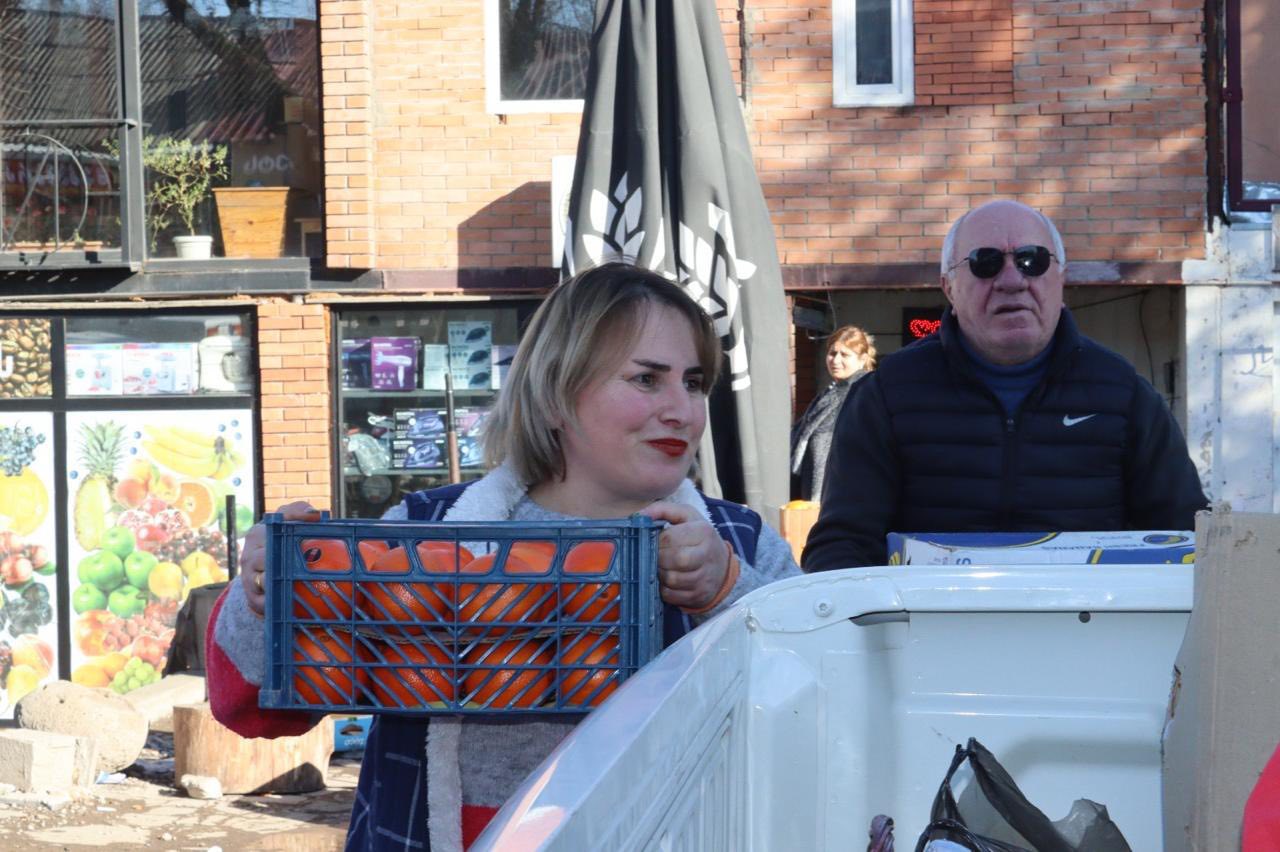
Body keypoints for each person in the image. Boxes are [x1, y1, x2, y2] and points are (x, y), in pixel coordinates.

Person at [206, 262, 801, 851]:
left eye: (693, 382)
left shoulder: (740, 541)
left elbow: (817, 706)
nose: (682, 410)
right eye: (646, 379)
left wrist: (729, 590)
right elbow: (253, 710)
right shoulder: (421, 533)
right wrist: (265, 595)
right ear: (556, 394)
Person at [802, 199, 1208, 572]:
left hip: (1086, 625)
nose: (1012, 280)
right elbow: (842, 546)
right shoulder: (886, 396)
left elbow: (1189, 541)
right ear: (948, 287)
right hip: (931, 627)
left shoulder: (1123, 394)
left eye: (1033, 260)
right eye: (985, 262)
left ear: (1061, 279)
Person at [790, 325, 876, 501]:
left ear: (862, 359)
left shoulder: (862, 393)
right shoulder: (832, 392)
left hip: (842, 492)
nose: (836, 360)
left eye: (845, 355)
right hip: (819, 488)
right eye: (832, 353)